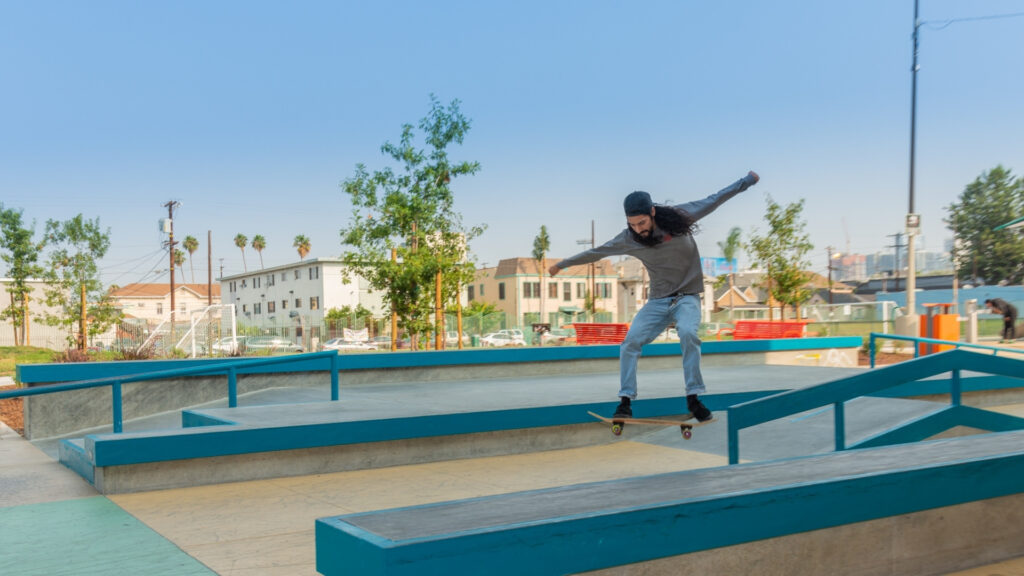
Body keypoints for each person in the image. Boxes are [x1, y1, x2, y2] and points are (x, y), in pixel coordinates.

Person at [549, 171, 760, 421]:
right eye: (632, 224)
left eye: (642, 223)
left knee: (688, 333)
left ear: (652, 213)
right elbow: (597, 252)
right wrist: (562, 264)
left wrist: (746, 181)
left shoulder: (681, 217)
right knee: (630, 343)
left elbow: (715, 199)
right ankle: (625, 401)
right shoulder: (628, 238)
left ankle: (693, 398)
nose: (638, 230)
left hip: (687, 297)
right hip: (658, 301)